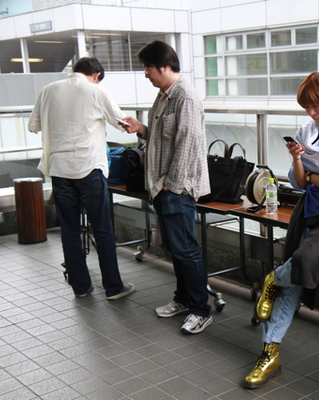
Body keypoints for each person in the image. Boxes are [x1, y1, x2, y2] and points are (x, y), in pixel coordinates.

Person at [244, 72, 319, 389]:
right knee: (294, 284)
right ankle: (269, 353)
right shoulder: (305, 131)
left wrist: (313, 177)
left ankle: (273, 279)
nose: (312, 113)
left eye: (317, 106)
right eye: (307, 108)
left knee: (302, 261)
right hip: (308, 208)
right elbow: (299, 182)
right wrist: (298, 160)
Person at [122, 40, 212, 335]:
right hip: (161, 186)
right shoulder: (163, 95)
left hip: (177, 188)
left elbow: (187, 145)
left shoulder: (185, 96)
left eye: (147, 68)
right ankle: (184, 300)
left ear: (163, 66)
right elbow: (163, 139)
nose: (146, 74)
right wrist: (141, 129)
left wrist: (170, 187)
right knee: (175, 247)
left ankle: (201, 310)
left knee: (185, 248)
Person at [28, 57, 135, 300]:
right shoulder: (96, 91)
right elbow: (123, 123)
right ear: (96, 75)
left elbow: (33, 126)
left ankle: (80, 286)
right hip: (89, 168)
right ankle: (113, 287)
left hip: (59, 169)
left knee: (70, 230)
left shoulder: (48, 90)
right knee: (102, 229)